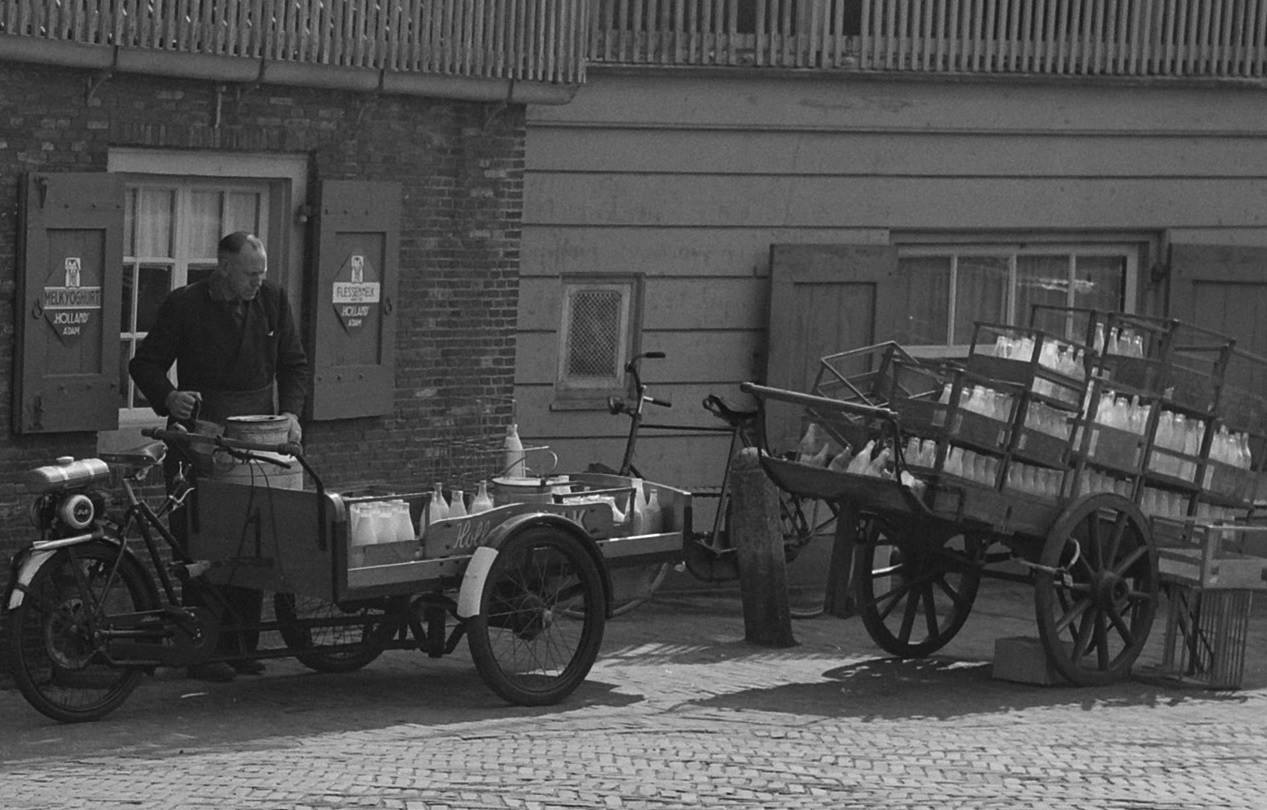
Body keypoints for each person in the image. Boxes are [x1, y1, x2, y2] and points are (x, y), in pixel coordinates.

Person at [130, 231, 309, 682]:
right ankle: (204, 649)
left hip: (257, 437)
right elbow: (144, 364)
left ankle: (243, 643)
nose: (258, 281)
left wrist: (290, 413)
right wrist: (169, 398)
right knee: (200, 540)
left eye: (262, 272)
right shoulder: (184, 304)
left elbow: (295, 364)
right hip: (201, 435)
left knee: (253, 538)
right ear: (224, 267)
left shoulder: (272, 299)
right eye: (251, 273)